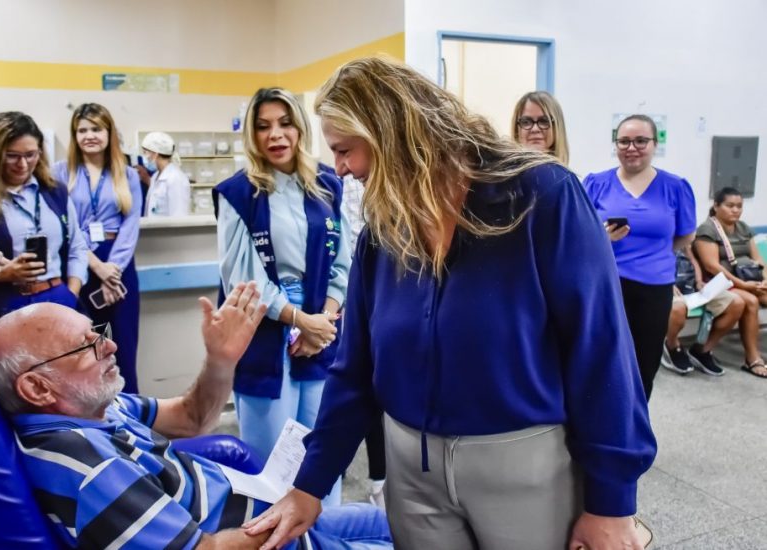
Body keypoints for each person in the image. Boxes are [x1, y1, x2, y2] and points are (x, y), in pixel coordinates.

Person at [245, 57, 656, 550]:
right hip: (411, 475)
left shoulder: (542, 196)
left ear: (391, 132)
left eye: (345, 150)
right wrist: (310, 485)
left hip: (524, 468)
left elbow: (601, 351)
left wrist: (612, 502)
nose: (341, 169)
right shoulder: (384, 232)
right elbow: (355, 369)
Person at [0, 289, 392, 549]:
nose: (110, 346)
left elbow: (191, 418)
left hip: (267, 519)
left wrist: (221, 360)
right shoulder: (92, 471)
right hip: (272, 539)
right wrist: (290, 518)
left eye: (97, 332)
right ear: (37, 388)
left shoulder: (95, 408)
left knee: (394, 521)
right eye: (87, 347)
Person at [213, 87, 351, 506]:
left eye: (285, 123)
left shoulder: (327, 184)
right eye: (263, 126)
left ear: (300, 127)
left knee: (321, 451)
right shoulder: (239, 194)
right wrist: (299, 320)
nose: (275, 134)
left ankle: (326, 531)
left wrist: (322, 321)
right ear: (251, 135)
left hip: (321, 329)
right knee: (271, 460)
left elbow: (343, 261)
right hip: (265, 333)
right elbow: (243, 278)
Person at [584, 114, 697, 399]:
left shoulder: (676, 187)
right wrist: (602, 238)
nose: (631, 147)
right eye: (624, 141)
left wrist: (654, 254)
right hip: (607, 285)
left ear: (655, 144)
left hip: (654, 288)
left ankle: (635, 420)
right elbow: (579, 236)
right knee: (601, 360)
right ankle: (601, 419)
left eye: (640, 141)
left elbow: (686, 236)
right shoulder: (596, 184)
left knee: (644, 363)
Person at [0, 111, 89, 325]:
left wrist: (72, 292)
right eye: (12, 155)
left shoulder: (55, 192)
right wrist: (4, 273)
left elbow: (77, 247)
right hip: (2, 303)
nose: (23, 164)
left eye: (31, 155)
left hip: (58, 297)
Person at [54, 103, 143, 393]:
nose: (89, 135)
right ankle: (92, 410)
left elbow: (130, 226)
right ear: (74, 135)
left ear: (109, 133)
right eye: (82, 130)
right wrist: (96, 266)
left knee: (123, 345)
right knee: (85, 348)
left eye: (96, 129)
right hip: (79, 265)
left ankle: (129, 410)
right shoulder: (60, 173)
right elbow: (65, 225)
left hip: (119, 266)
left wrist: (112, 270)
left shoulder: (127, 175)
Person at [339, 173, 386, 508]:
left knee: (377, 387)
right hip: (353, 288)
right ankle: (342, 471)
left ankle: (381, 478)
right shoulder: (344, 184)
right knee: (357, 380)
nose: (342, 166)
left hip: (375, 287)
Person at [693, 186, 767, 378]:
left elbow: (758, 259)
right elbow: (711, 266)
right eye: (730, 205)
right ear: (716, 206)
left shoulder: (743, 228)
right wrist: (743, 285)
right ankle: (752, 358)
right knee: (750, 302)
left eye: (739, 206)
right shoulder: (708, 229)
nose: (735, 210)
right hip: (720, 283)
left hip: (749, 280)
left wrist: (765, 279)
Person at [663, 246, 744, 375]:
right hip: (665, 286)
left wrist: (699, 281)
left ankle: (702, 350)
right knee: (678, 308)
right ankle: (672, 346)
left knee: (736, 303)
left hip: (691, 287)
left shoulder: (682, 237)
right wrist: (666, 283)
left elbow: (692, 259)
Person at [510, 90, 569, 164]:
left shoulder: (562, 171)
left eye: (544, 121)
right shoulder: (503, 170)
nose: (535, 129)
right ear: (516, 130)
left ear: (557, 127)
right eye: (526, 122)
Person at [142, 132, 191, 217]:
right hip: (153, 225)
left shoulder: (176, 178)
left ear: (155, 154)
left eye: (145, 152)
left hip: (167, 226)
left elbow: (179, 216)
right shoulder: (155, 176)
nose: (144, 157)